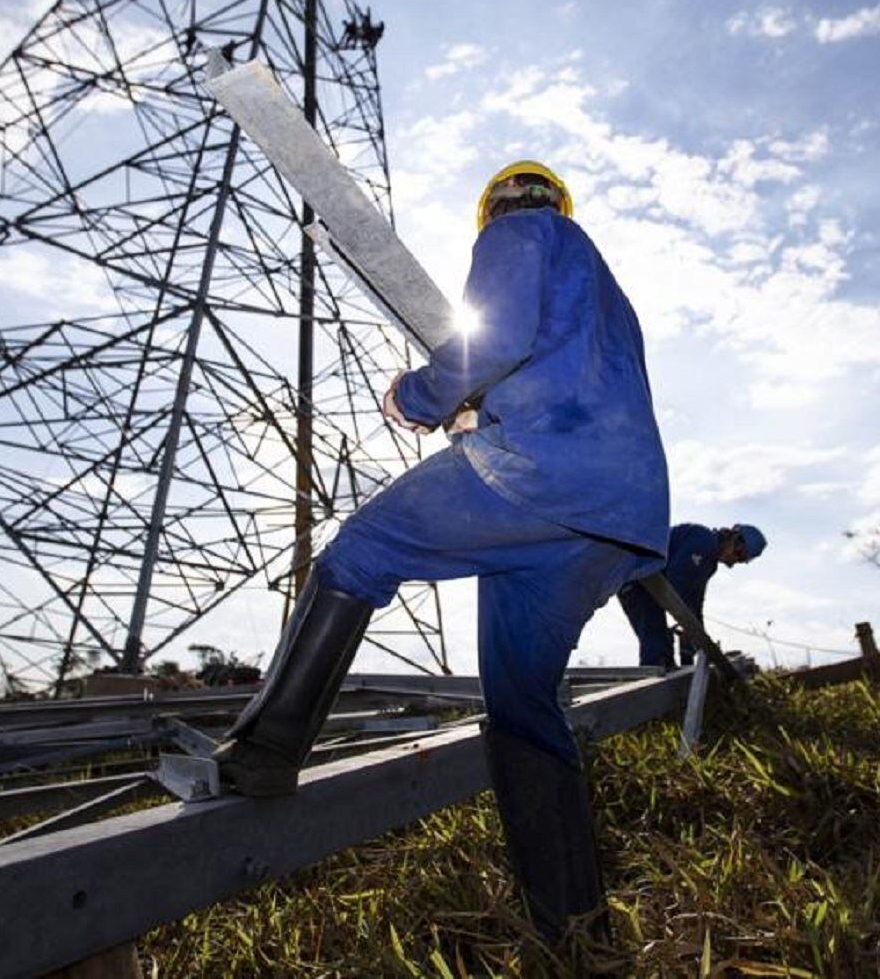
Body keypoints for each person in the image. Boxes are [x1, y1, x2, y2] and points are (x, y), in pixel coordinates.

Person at [213, 160, 669, 945]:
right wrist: (478, 415)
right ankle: (575, 924)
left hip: (539, 478)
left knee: (361, 550)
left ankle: (265, 750)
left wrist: (420, 396)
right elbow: (563, 378)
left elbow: (501, 335)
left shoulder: (523, 231)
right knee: (523, 705)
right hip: (610, 520)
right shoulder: (609, 297)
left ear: (498, 206)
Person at [617, 523, 766, 667]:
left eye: (741, 560)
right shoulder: (703, 540)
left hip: (651, 585)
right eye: (738, 554)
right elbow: (678, 584)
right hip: (637, 581)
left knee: (663, 646)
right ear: (733, 538)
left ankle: (672, 685)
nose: (734, 562)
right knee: (656, 641)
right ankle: (650, 688)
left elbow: (695, 602)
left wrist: (698, 636)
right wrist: (690, 629)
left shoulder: (709, 563)